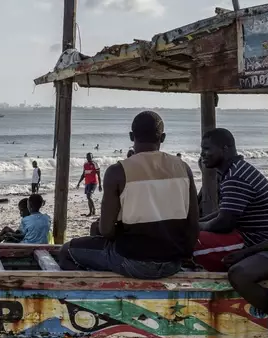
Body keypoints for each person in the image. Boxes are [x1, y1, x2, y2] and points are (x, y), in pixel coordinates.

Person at [58, 111, 199, 279]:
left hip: (133, 261)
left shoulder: (118, 172)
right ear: (162, 138)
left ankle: (97, 295)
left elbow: (107, 231)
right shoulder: (183, 168)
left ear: (131, 136)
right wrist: (185, 256)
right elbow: (192, 224)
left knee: (66, 251)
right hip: (172, 263)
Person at [196, 128, 268, 272]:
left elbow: (224, 223)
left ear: (225, 149)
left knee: (191, 242)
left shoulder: (235, 177)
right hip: (248, 234)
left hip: (253, 241)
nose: (202, 154)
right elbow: (224, 212)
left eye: (207, 149)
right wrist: (198, 223)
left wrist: (195, 227)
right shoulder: (236, 170)